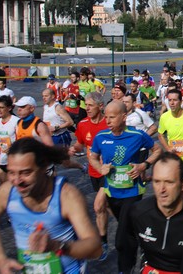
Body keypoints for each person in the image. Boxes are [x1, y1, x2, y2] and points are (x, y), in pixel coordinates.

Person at [0, 138, 102, 274]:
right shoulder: (6, 192)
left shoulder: (66, 195)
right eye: (11, 172)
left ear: (44, 167)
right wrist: (0, 260)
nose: (17, 181)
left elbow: (95, 248)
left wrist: (58, 246)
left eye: (26, 172)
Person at [89, 100, 162, 273]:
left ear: (124, 117)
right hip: (112, 191)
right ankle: (143, 247)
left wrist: (144, 165)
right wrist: (100, 168)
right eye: (106, 117)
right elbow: (92, 157)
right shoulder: (101, 137)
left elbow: (157, 150)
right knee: (127, 229)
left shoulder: (137, 135)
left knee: (121, 238)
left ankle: (125, 268)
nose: (107, 121)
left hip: (132, 191)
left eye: (112, 117)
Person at [126, 152, 183, 274]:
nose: (162, 189)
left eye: (169, 182)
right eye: (157, 182)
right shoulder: (138, 211)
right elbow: (126, 248)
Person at [69, 92, 110, 261]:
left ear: (100, 106)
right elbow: (80, 143)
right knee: (108, 208)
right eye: (86, 105)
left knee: (98, 206)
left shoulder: (108, 123)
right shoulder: (83, 124)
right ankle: (128, 223)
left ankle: (102, 243)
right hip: (93, 172)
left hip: (109, 172)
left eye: (91, 105)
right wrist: (74, 149)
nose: (87, 108)